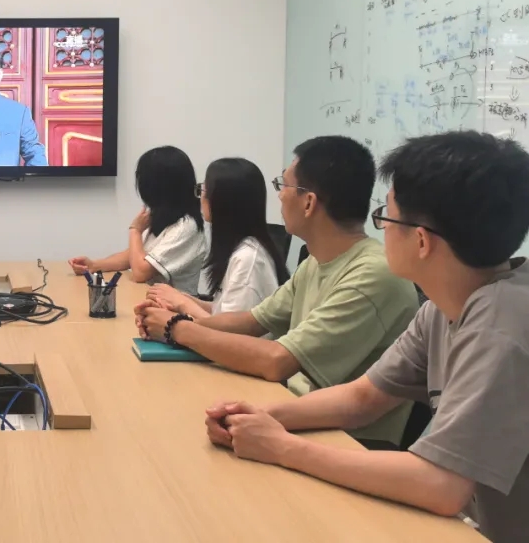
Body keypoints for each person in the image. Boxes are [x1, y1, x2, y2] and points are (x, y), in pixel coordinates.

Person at [205, 132, 529, 543]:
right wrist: (263, 416)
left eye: (386, 217)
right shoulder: (443, 306)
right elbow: (363, 397)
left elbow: (441, 485)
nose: (381, 230)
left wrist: (283, 448)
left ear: (421, 240)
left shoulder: (500, 324)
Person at [136, 136, 419, 448]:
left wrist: (178, 329)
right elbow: (251, 321)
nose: (280, 196)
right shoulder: (317, 261)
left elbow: (277, 361)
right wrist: (173, 321)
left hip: (344, 440)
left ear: (308, 202)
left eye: (283, 185)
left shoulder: (372, 274)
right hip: (295, 412)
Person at [147, 157, 289, 316]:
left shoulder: (248, 259)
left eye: (204, 190)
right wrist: (181, 299)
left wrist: (183, 303)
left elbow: (229, 328)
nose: (201, 196)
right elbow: (221, 311)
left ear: (224, 200)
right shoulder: (240, 248)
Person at [69, 146, 207, 293]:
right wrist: (94, 265)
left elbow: (140, 273)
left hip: (172, 306)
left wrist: (135, 230)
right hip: (147, 299)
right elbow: (132, 256)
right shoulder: (163, 216)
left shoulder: (186, 227)